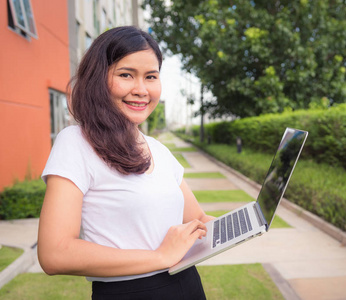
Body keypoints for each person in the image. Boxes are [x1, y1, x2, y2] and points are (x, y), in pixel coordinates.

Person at [37, 26, 214, 299]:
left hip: (187, 284)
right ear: (97, 79)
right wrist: (159, 256)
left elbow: (198, 219)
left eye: (151, 76)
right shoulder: (76, 143)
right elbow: (55, 253)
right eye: (126, 75)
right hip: (131, 292)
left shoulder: (158, 149)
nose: (141, 90)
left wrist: (237, 227)